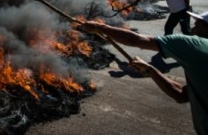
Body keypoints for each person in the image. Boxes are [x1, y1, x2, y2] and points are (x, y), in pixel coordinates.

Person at [78, 11, 208, 134]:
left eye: (200, 22)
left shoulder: (194, 44)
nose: (195, 23)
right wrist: (150, 70)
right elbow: (181, 95)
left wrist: (99, 27)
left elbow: (135, 40)